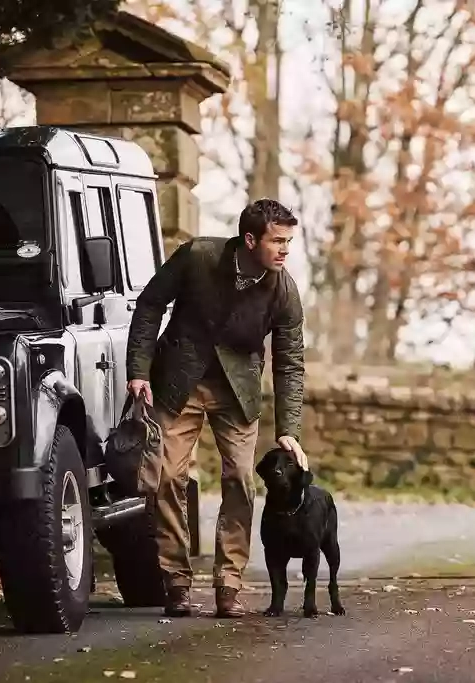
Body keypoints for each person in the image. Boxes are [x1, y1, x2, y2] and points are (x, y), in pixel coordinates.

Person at [125, 198, 307, 619]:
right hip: (177, 382)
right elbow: (151, 304)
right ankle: (175, 581)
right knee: (167, 476)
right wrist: (139, 369)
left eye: (289, 242)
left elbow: (291, 361)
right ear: (249, 239)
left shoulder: (283, 289)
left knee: (242, 477)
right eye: (277, 241)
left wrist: (288, 429)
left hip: (238, 391)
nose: (284, 250)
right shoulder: (198, 256)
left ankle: (229, 583)